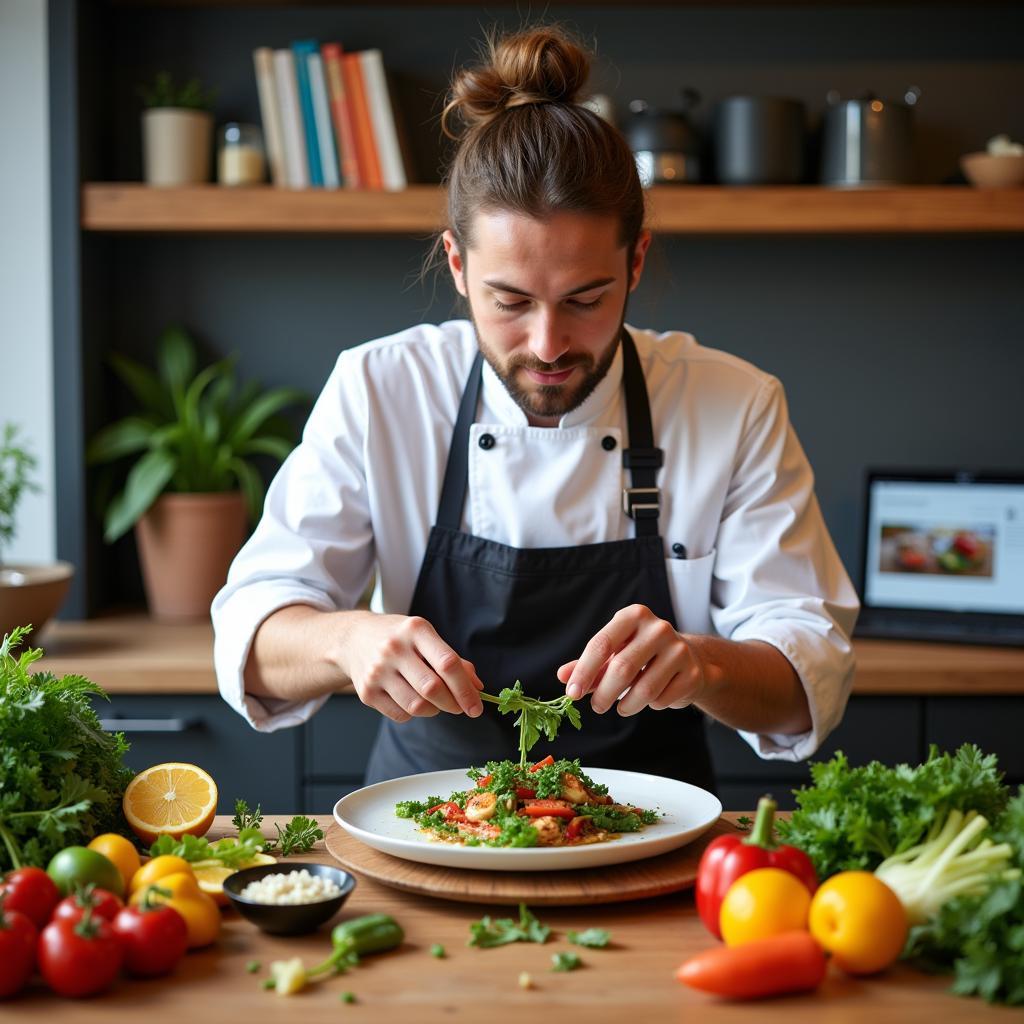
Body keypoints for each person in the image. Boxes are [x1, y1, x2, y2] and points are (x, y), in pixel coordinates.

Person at [211, 25, 859, 791]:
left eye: (585, 300)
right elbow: (253, 635)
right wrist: (347, 640)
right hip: (429, 820)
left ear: (636, 262)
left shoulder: (733, 404)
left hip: (654, 829)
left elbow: (804, 679)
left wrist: (702, 661)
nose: (548, 344)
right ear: (457, 264)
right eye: (510, 301)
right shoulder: (381, 388)